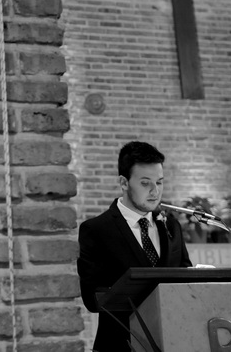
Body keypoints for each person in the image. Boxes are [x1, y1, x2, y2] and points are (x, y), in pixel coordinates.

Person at [77, 141, 192, 351]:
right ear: (124, 182)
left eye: (160, 182)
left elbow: (185, 274)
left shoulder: (171, 225)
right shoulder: (96, 230)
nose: (155, 191)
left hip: (174, 341)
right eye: (145, 183)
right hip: (120, 344)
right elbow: (92, 298)